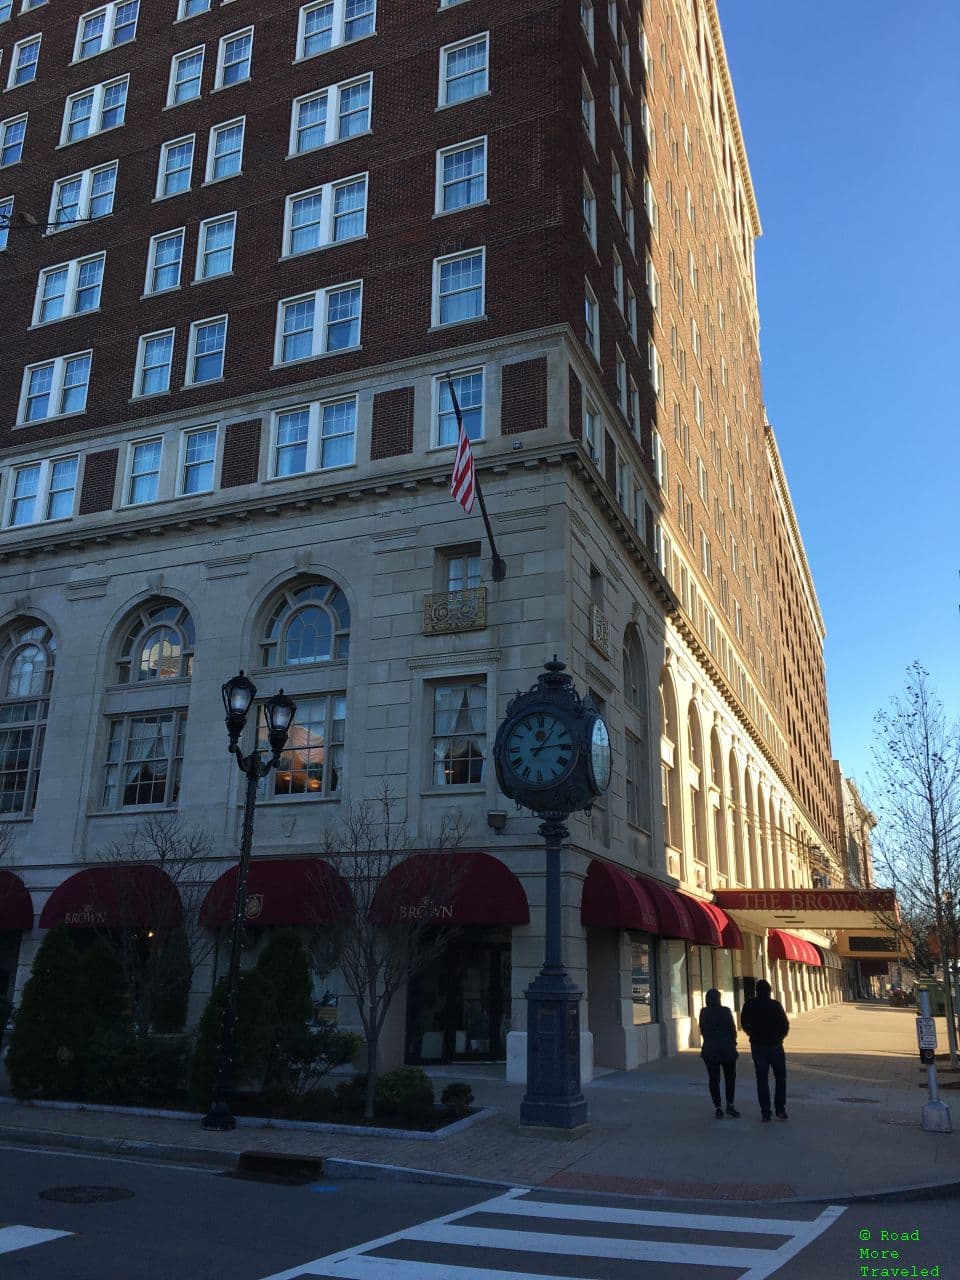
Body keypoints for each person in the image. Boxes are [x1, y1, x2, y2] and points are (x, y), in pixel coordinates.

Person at [739, 978, 790, 1121]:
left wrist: (752, 1034)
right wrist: (780, 1037)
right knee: (780, 1078)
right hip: (775, 1046)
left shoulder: (749, 1005)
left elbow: (743, 1022)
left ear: (757, 992)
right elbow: (785, 1025)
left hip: (758, 1046)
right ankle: (780, 1109)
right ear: (769, 991)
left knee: (761, 1079)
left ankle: (765, 1112)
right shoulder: (775, 1005)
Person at [698, 988, 739, 1119]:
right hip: (727, 1048)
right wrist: (733, 1042)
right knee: (730, 1078)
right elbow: (732, 1029)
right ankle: (730, 1105)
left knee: (714, 1079)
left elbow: (703, 1030)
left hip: (710, 1049)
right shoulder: (725, 1011)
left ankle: (718, 1107)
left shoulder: (703, 1012)